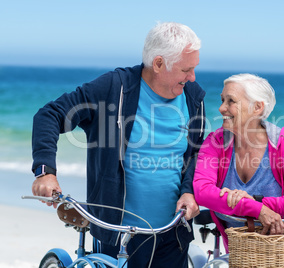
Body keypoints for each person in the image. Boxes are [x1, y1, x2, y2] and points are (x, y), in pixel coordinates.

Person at [31, 22, 205, 267]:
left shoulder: (192, 96)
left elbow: (195, 154)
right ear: (158, 64)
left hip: (173, 234)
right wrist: (45, 171)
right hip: (118, 236)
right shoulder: (114, 88)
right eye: (186, 69)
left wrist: (189, 191)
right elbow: (51, 114)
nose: (192, 77)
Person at [193, 73, 284, 253]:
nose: (222, 108)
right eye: (222, 100)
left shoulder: (283, 143)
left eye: (231, 101)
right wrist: (255, 209)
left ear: (257, 107)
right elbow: (202, 192)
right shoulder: (215, 142)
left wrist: (258, 201)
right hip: (240, 254)